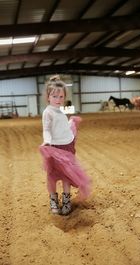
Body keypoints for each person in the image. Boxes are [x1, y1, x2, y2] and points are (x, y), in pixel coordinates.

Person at [39, 75, 91, 216]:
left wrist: (71, 124)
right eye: (55, 96)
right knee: (52, 176)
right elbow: (47, 129)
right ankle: (53, 200)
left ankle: (66, 201)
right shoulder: (47, 112)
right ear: (48, 97)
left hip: (67, 147)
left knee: (66, 176)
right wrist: (47, 141)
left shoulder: (61, 111)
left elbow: (63, 128)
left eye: (61, 97)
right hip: (54, 149)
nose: (58, 100)